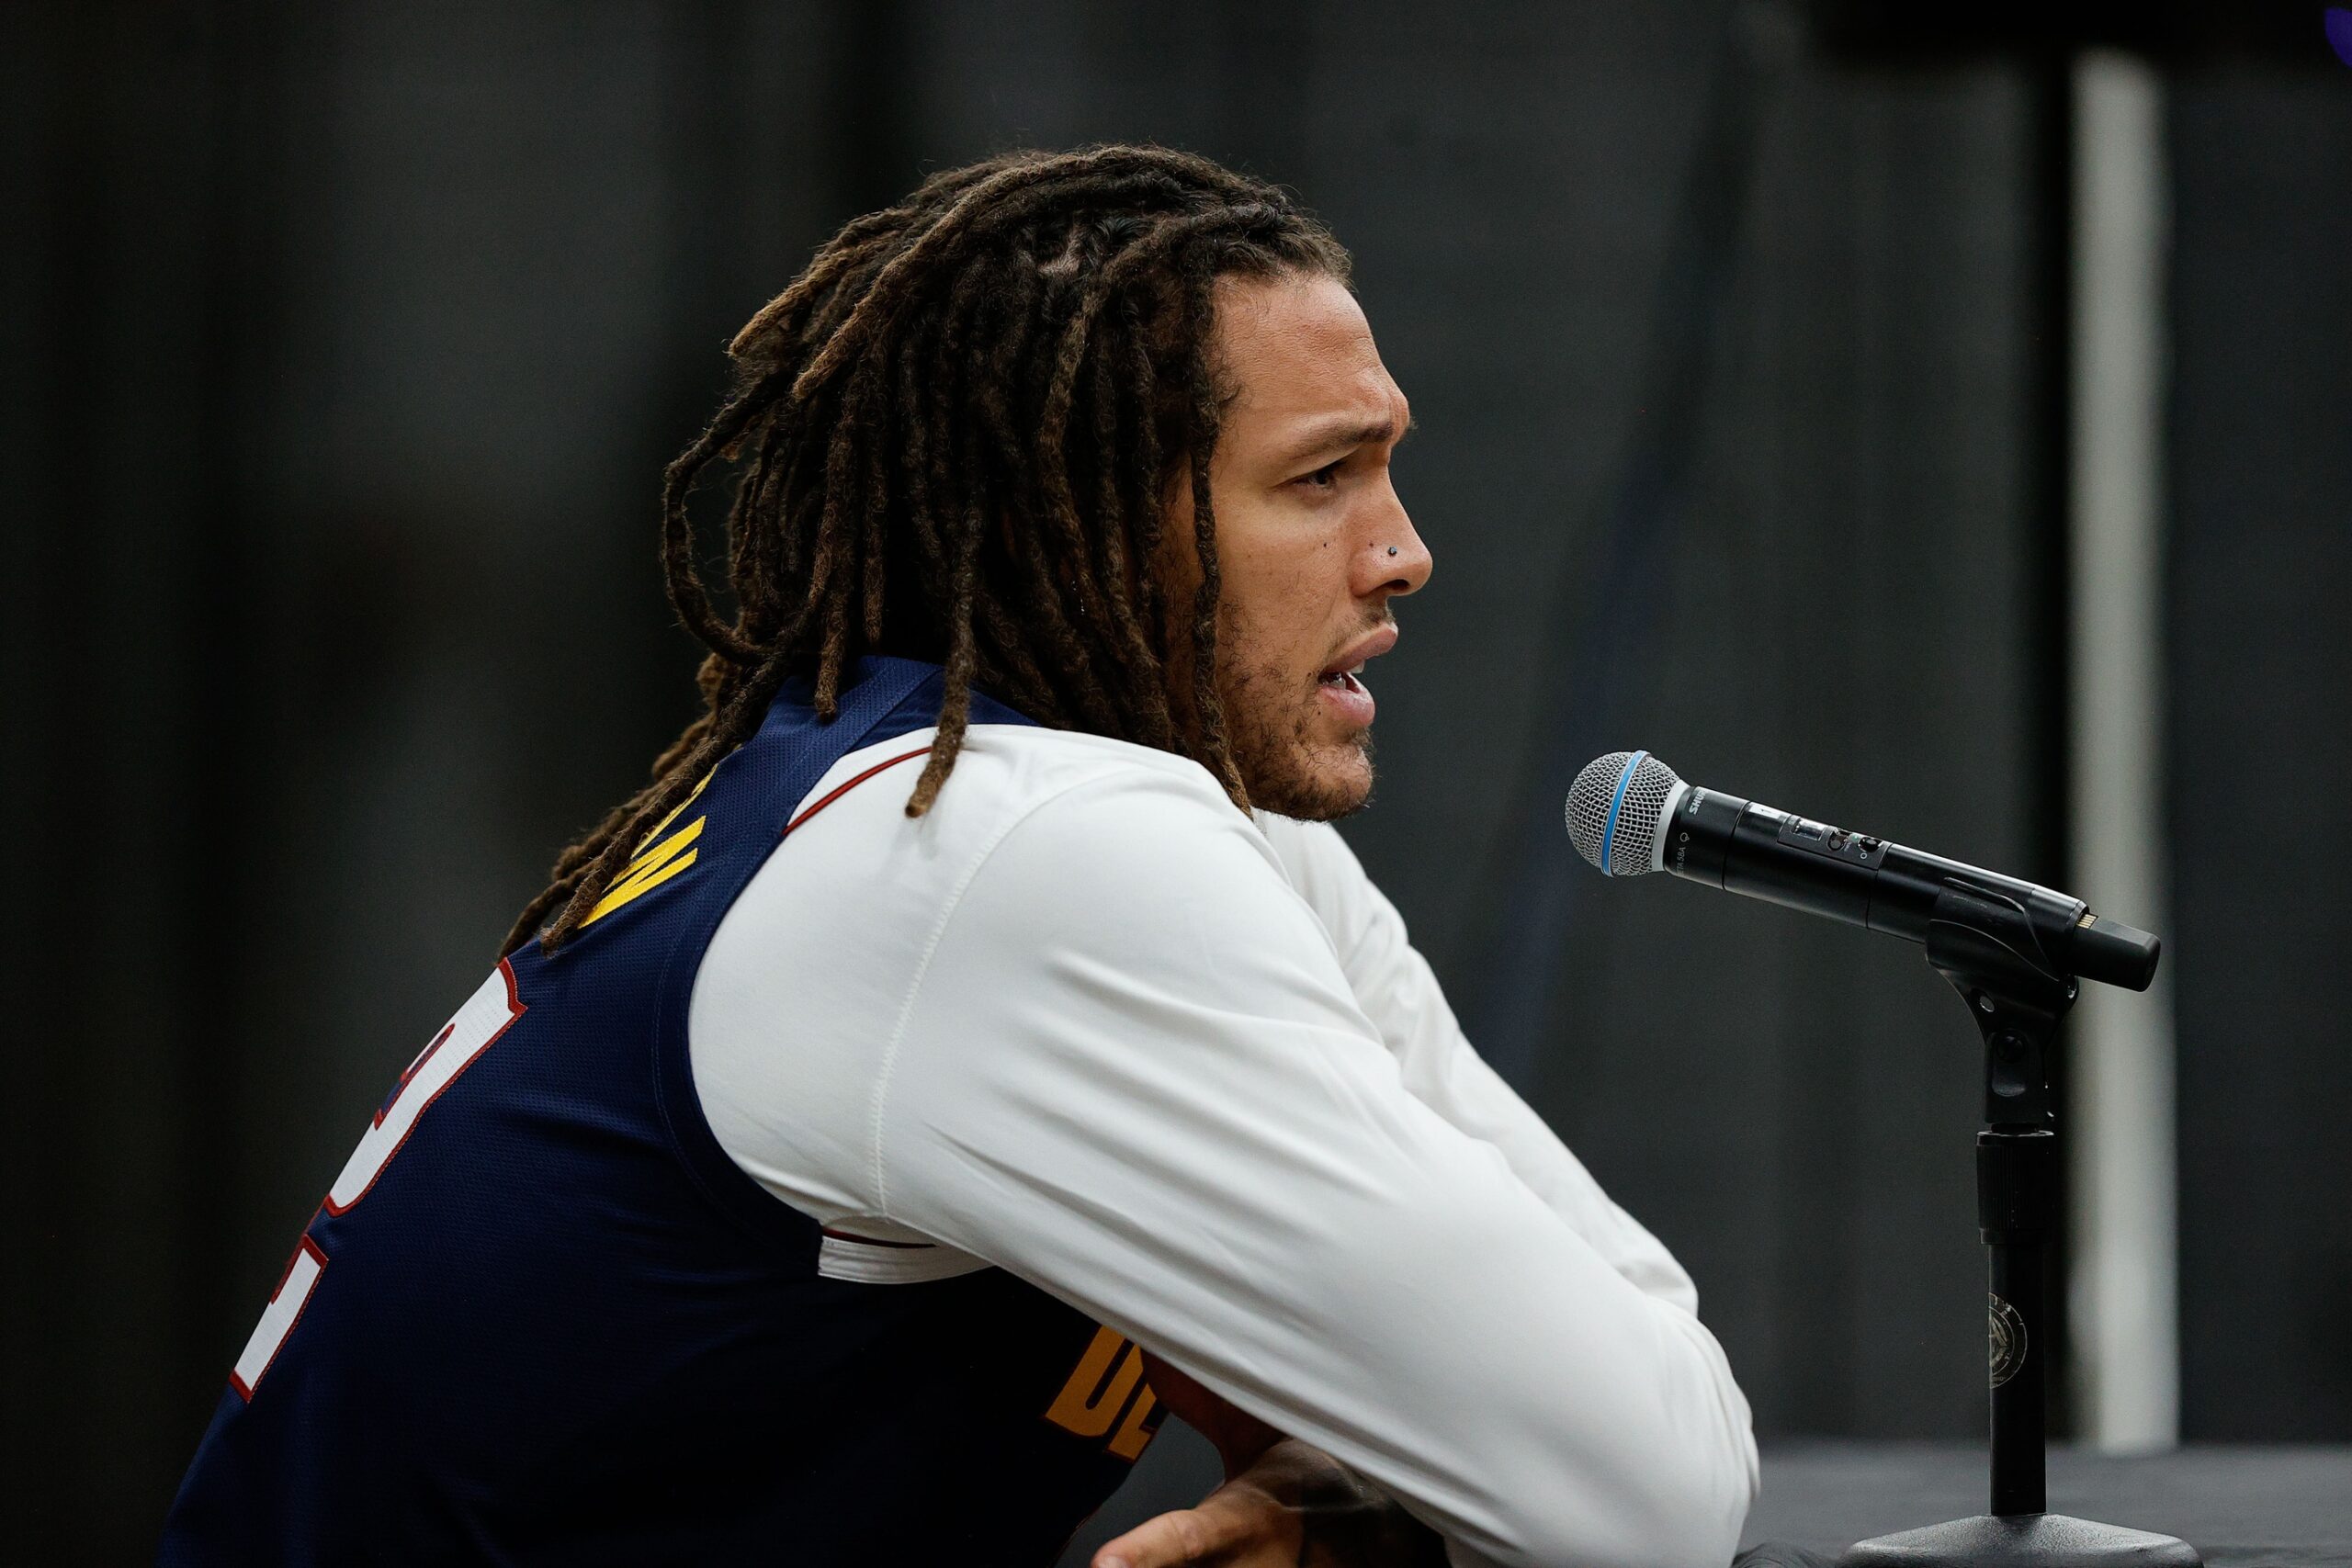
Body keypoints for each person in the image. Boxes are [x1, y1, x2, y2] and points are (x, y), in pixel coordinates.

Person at [161, 144, 1758, 1568]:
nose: (1404, 548)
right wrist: (1408, 1471)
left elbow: (1543, 1420)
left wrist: (1337, 1486)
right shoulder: (1020, 859)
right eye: (1320, 478)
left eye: (1390, 465)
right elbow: (1648, 1492)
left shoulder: (1034, 814)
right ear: (1098, 518)